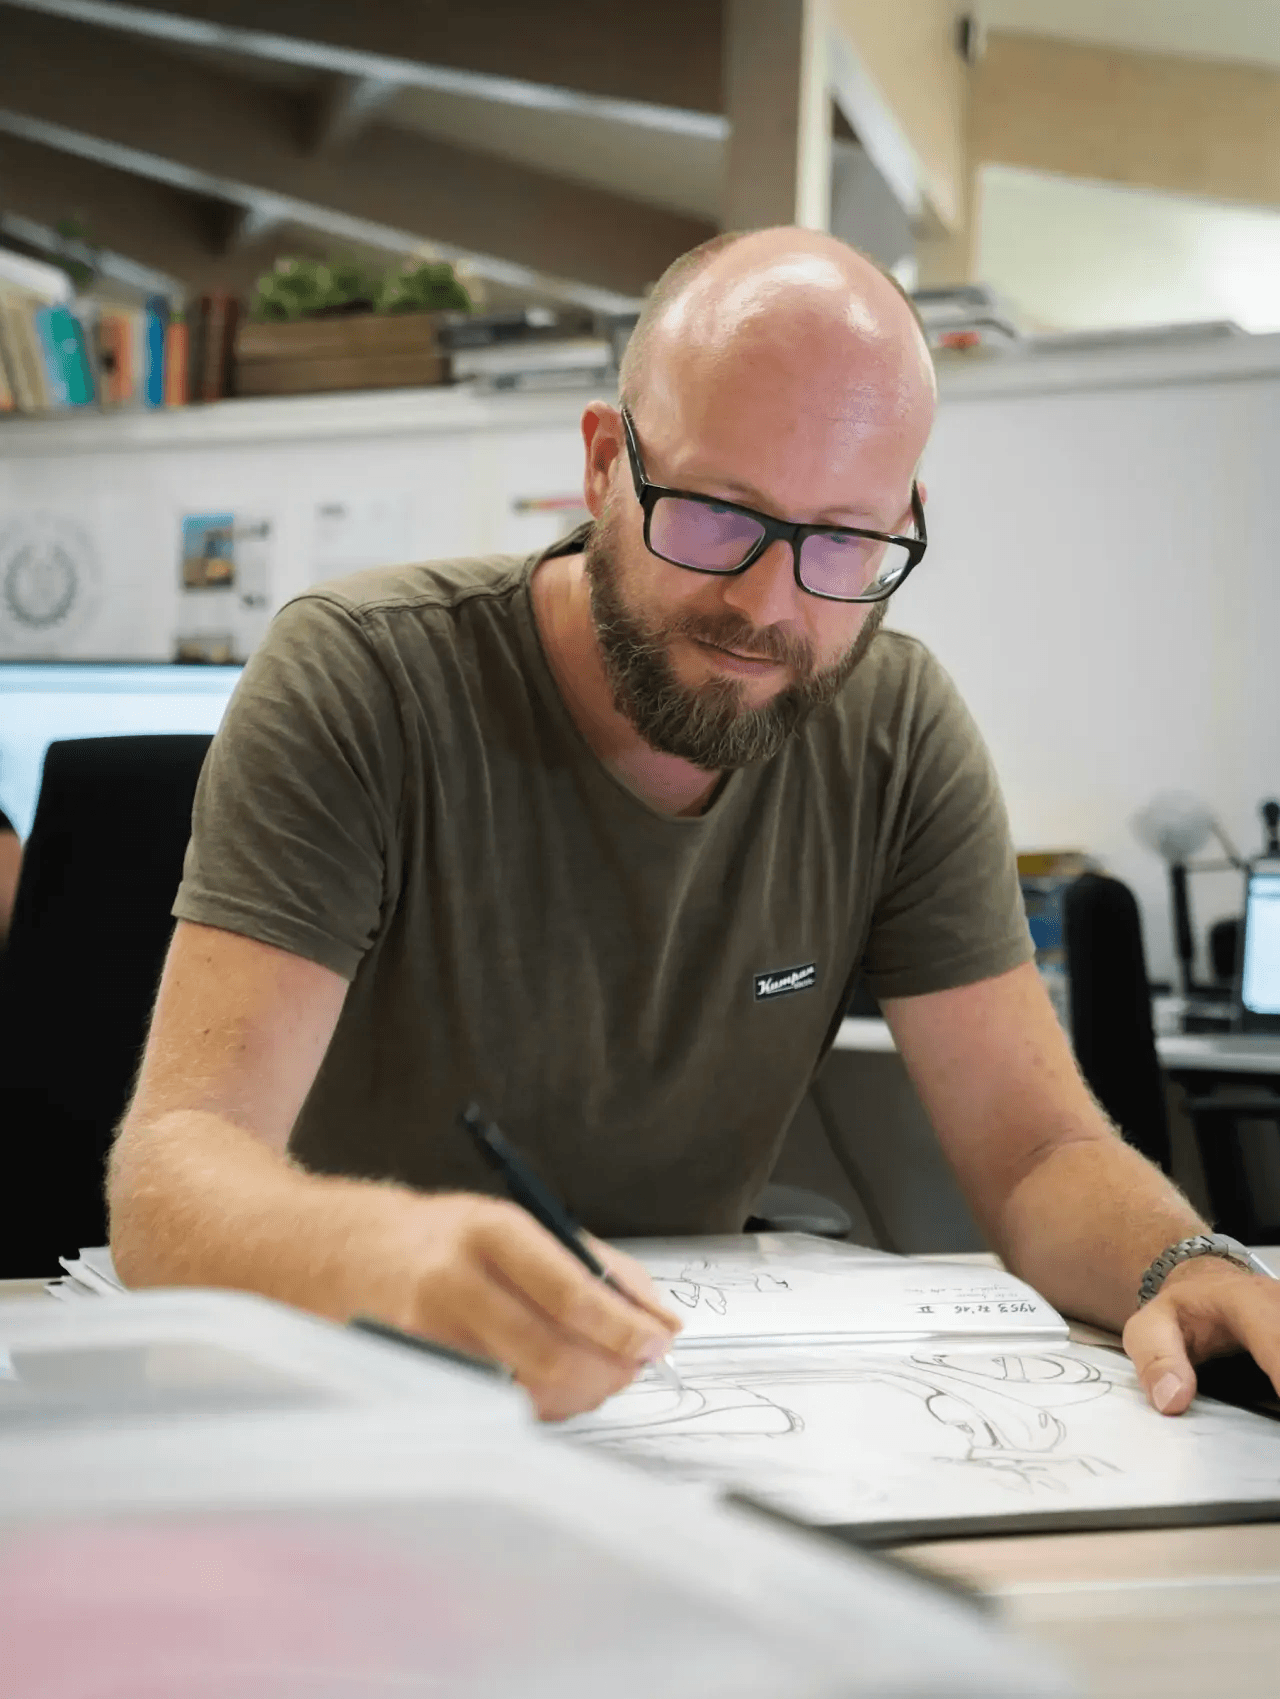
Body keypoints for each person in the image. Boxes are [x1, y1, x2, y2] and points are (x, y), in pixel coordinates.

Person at [109, 228, 1280, 1422]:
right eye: (720, 513)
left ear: (902, 517)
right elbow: (172, 1171)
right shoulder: (363, 681)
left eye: (840, 537)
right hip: (351, 1387)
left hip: (686, 1408)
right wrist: (392, 1255)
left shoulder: (895, 729)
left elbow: (1035, 1153)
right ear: (604, 462)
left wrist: (1182, 1262)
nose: (767, 606)